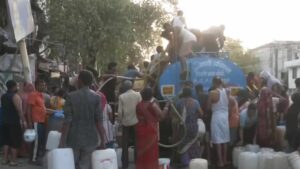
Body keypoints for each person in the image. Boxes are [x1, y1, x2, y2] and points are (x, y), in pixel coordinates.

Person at [59, 70, 106, 169]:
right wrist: (103, 139)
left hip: (73, 138)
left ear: (80, 80)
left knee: (71, 165)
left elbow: (67, 121)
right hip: (91, 139)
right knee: (85, 166)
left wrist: (62, 141)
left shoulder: (71, 97)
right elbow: (99, 121)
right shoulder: (96, 98)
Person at [135, 87, 170, 169]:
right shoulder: (153, 105)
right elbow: (162, 116)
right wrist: (167, 105)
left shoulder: (138, 105)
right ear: (151, 95)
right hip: (150, 132)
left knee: (142, 152)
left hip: (140, 131)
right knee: (151, 153)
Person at [172, 87, 203, 168]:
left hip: (183, 128)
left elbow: (175, 115)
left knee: (183, 146)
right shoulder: (195, 102)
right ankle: (195, 164)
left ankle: (186, 164)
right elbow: (201, 114)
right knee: (194, 145)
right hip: (193, 128)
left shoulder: (179, 102)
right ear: (191, 93)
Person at [1, 80, 27, 166]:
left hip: (4, 121)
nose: (18, 87)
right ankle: (13, 161)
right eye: (17, 86)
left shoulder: (3, 96)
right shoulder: (15, 96)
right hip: (13, 122)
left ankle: (5, 159)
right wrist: (24, 121)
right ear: (14, 86)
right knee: (14, 142)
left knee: (6, 141)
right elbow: (19, 111)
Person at [117, 80, 142, 169]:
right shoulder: (138, 95)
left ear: (124, 87)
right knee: (136, 143)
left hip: (126, 123)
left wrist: (120, 121)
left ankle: (125, 165)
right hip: (136, 122)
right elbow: (141, 108)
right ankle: (137, 162)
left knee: (125, 143)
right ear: (131, 86)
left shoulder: (121, 97)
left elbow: (120, 112)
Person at [208, 77, 230, 167]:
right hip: (225, 117)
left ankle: (220, 161)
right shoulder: (227, 91)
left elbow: (208, 107)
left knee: (217, 140)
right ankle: (225, 160)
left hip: (216, 117)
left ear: (214, 83)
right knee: (224, 139)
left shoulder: (212, 93)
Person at [27, 79, 48, 163]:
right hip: (36, 121)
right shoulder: (33, 95)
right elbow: (28, 109)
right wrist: (29, 122)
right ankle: (34, 159)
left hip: (42, 121)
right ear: (37, 86)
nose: (44, 86)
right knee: (36, 141)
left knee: (41, 140)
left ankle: (36, 157)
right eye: (42, 85)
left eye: (44, 85)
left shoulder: (41, 96)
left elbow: (42, 108)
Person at [256, 77, 274, 147]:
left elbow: (267, 112)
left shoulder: (260, 101)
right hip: (264, 122)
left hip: (262, 121)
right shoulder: (265, 102)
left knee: (263, 137)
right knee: (265, 138)